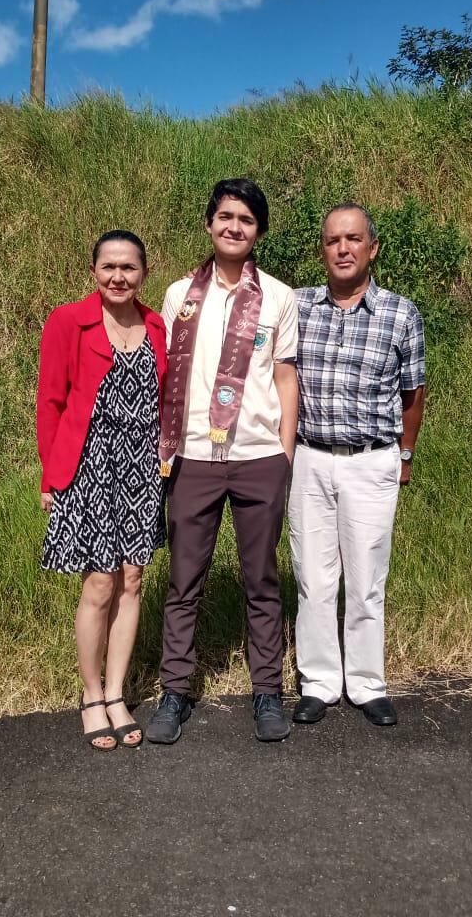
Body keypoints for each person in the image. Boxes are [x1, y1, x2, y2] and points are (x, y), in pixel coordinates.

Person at [146, 178, 299, 745]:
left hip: (258, 456)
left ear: (258, 231)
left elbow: (285, 377)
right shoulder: (179, 294)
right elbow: (164, 377)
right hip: (191, 456)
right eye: (225, 216)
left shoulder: (281, 297)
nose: (234, 226)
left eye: (247, 219)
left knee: (262, 579)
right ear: (210, 224)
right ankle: (175, 692)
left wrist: (284, 454)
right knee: (185, 580)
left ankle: (266, 692)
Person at [289, 203, 425, 728]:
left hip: (372, 461)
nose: (342, 249)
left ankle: (368, 684)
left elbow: (413, 392)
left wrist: (405, 456)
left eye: (352, 239)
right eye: (331, 241)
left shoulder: (400, 313)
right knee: (313, 578)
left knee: (366, 579)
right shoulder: (298, 306)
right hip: (309, 459)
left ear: (372, 248)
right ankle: (319, 684)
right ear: (322, 250)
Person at [37, 230, 167, 752]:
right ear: (94, 271)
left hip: (141, 468)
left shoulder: (156, 325)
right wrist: (51, 477)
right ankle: (91, 696)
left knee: (132, 580)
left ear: (143, 274)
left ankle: (118, 693)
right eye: (109, 266)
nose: (118, 276)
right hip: (88, 466)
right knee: (99, 583)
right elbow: (50, 402)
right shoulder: (69, 320)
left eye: (129, 268)